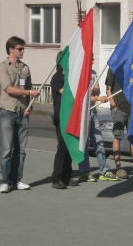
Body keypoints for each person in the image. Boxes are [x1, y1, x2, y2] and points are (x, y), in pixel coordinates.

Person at [0, 36, 41, 193]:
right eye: (20, 49)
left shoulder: (25, 68)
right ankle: (5, 181)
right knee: (6, 149)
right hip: (8, 112)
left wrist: (30, 106)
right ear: (11, 50)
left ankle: (17, 180)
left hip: (23, 113)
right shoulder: (3, 67)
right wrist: (29, 92)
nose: (23, 51)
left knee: (20, 150)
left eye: (23, 48)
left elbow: (30, 89)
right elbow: (8, 89)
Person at [78, 60, 120, 182]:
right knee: (84, 144)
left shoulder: (93, 73)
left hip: (93, 111)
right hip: (82, 112)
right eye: (91, 58)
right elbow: (81, 95)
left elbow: (97, 89)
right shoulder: (80, 73)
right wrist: (94, 94)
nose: (93, 61)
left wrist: (92, 91)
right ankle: (84, 172)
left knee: (99, 141)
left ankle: (104, 170)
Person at [50, 51, 79, 189]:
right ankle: (56, 178)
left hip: (71, 116)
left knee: (69, 146)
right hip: (61, 116)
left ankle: (67, 176)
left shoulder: (70, 77)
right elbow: (67, 93)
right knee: (62, 147)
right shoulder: (56, 78)